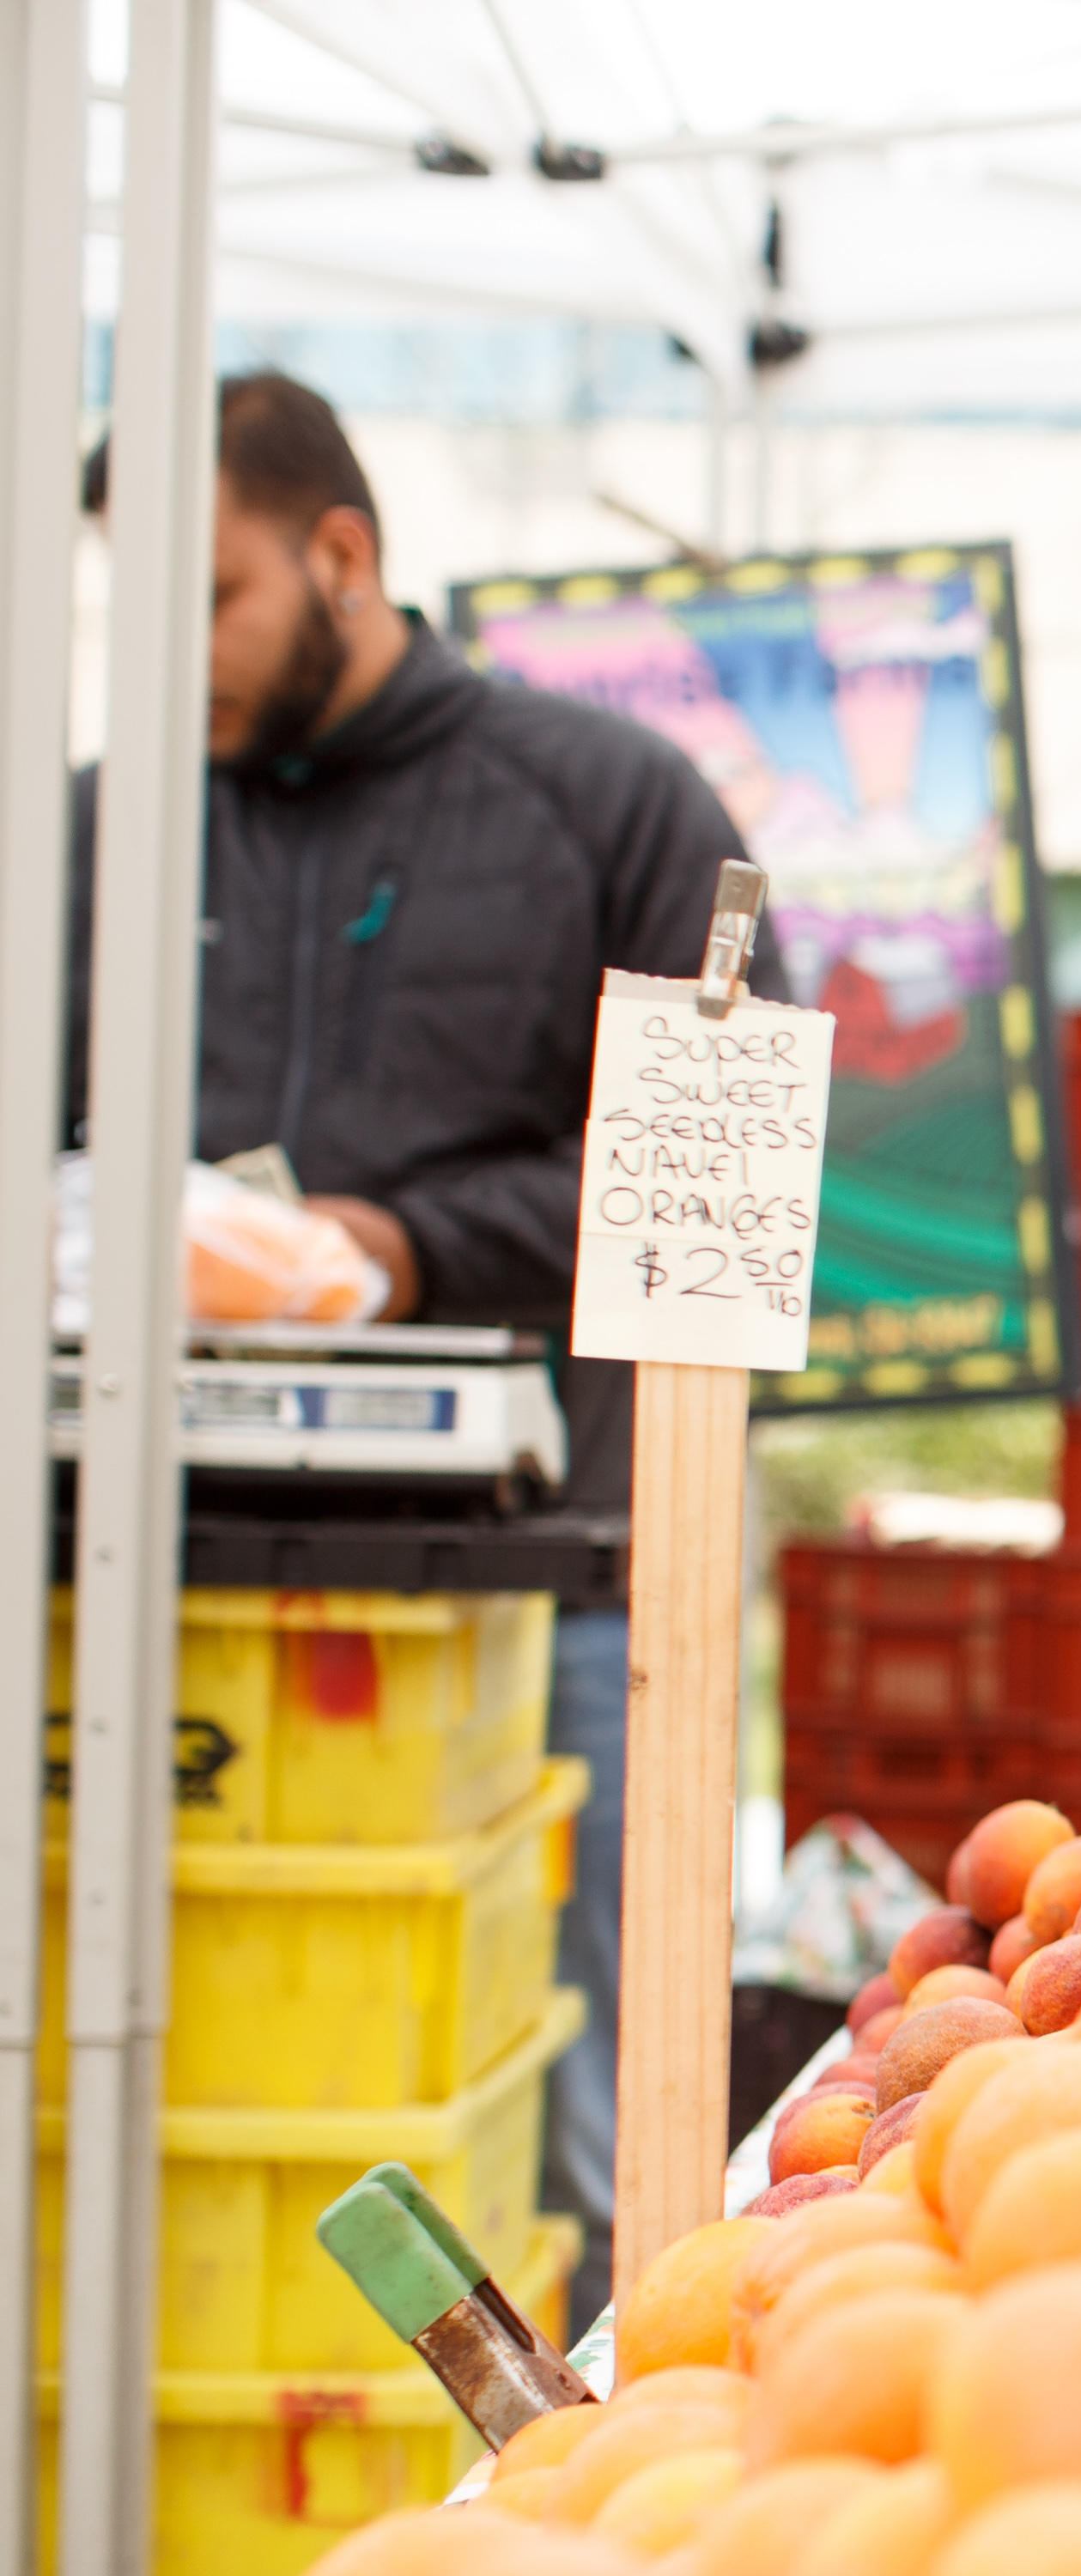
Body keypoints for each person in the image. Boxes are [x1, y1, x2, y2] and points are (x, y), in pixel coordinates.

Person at [68, 374, 780, 2301]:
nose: (170, 661)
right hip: (162, 1604)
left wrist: (385, 1253)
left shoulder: (615, 811)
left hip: (559, 1609)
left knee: (579, 2109)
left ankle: (583, 2526)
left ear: (343, 554)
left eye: (205, 600)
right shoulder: (95, 842)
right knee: (188, 2109)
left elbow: (719, 1232)